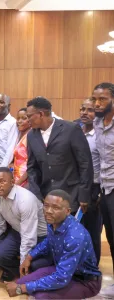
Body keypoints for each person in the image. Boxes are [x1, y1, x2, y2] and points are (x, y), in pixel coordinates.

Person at [8, 190, 102, 299]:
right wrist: (29, 257)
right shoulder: (54, 222)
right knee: (20, 282)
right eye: (46, 206)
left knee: (41, 296)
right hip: (62, 270)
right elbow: (48, 242)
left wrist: (23, 288)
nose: (48, 211)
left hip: (85, 281)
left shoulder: (75, 237)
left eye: (55, 208)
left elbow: (62, 278)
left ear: (67, 211)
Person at [0, 168, 47, 282]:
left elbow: (29, 238)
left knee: (34, 264)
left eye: (2, 181)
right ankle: (18, 273)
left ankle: (27, 274)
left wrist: (23, 262)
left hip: (40, 236)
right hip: (17, 232)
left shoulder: (25, 200)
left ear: (12, 182)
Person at [26, 96, 93, 214]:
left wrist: (84, 194)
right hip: (46, 196)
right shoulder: (31, 135)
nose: (27, 120)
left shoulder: (71, 129)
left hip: (72, 195)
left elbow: (85, 163)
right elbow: (32, 168)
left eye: (29, 116)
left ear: (41, 114)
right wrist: (35, 194)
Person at [91, 83, 114, 297]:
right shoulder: (98, 122)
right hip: (106, 188)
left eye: (103, 99)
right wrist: (97, 186)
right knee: (112, 237)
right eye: (95, 99)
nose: (97, 103)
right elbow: (98, 157)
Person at [79, 99, 102, 264]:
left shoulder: (100, 136)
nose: (85, 113)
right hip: (76, 187)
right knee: (77, 230)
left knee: (92, 231)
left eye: (90, 110)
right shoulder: (76, 131)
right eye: (82, 109)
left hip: (95, 188)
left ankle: (93, 269)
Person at [0, 94, 18, 169]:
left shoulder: (13, 123)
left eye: (1, 102)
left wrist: (3, 168)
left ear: (8, 106)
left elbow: (11, 148)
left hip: (3, 167)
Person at [12, 108, 30, 187]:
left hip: (25, 180)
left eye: (24, 118)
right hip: (17, 177)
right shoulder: (19, 135)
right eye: (18, 118)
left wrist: (19, 182)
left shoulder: (31, 137)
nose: (19, 121)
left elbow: (32, 165)